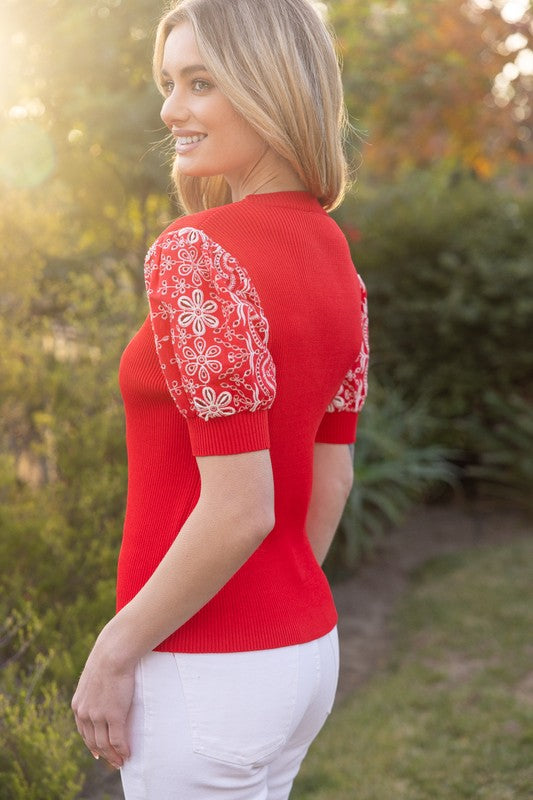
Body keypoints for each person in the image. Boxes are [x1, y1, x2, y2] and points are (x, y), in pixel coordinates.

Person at [71, 0, 369, 797]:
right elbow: (329, 479)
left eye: (199, 83)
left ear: (268, 85)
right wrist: (276, 613)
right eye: (169, 83)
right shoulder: (338, 257)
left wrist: (115, 648)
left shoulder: (197, 253)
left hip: (204, 668)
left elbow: (240, 507)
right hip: (301, 655)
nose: (171, 109)